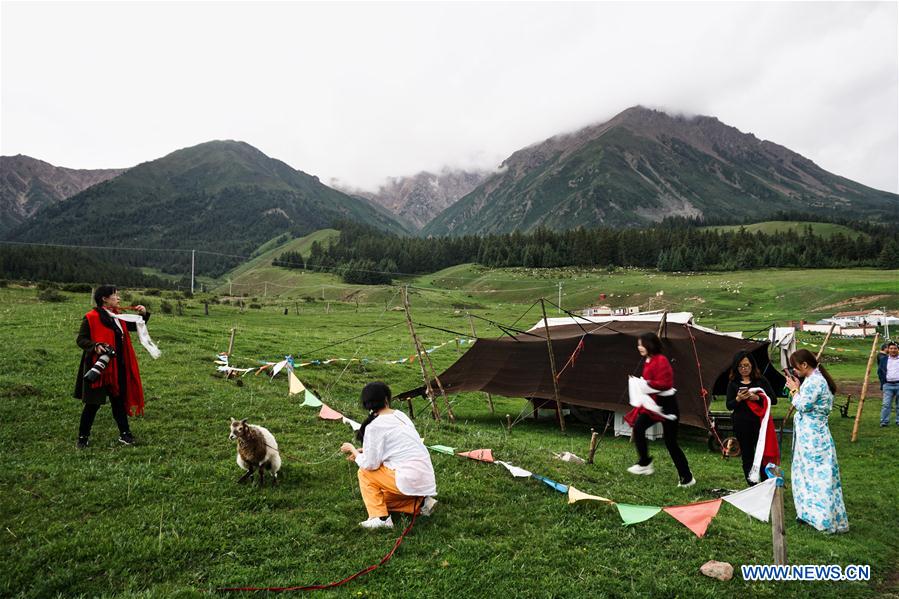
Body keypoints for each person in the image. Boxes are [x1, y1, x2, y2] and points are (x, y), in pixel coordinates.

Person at [340, 382, 438, 529]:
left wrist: (353, 450)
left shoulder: (374, 426)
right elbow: (396, 446)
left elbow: (370, 465)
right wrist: (365, 451)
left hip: (407, 477)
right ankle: (421, 503)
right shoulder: (400, 415)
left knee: (364, 473)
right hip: (425, 477)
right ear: (386, 399)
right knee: (381, 499)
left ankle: (380, 518)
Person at [74, 286, 149, 448]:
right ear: (104, 299)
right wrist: (95, 346)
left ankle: (125, 434)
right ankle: (82, 437)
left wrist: (143, 314)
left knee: (118, 401)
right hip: (100, 367)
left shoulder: (117, 316)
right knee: (93, 404)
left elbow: (134, 326)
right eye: (115, 295)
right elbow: (81, 339)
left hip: (118, 366)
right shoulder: (91, 317)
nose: (118, 298)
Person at [785, 349, 849, 533]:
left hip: (813, 438)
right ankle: (809, 513)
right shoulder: (814, 380)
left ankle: (823, 519)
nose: (794, 370)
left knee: (817, 476)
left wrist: (794, 390)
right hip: (811, 436)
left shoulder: (816, 381)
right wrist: (798, 388)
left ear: (804, 365)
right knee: (808, 474)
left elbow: (803, 405)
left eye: (795, 367)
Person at [624, 332, 695, 487]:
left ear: (650, 345)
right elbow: (650, 381)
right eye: (638, 345)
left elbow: (665, 383)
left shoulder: (661, 360)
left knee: (670, 442)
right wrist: (638, 383)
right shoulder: (647, 360)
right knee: (639, 427)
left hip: (668, 405)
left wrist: (645, 385)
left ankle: (687, 477)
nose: (639, 347)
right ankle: (645, 463)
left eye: (641, 344)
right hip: (653, 403)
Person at [725, 351, 778, 485]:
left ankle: (765, 482)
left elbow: (773, 399)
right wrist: (738, 399)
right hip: (741, 424)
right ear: (736, 367)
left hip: (759, 424)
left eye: (746, 365)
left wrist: (758, 397)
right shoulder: (733, 383)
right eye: (740, 366)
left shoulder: (760, 381)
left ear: (752, 365)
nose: (744, 369)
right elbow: (729, 405)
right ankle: (752, 484)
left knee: (762, 453)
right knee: (747, 455)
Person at [878, 341, 899, 427]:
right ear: (888, 349)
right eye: (891, 348)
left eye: (895, 348)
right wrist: (883, 383)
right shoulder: (883, 359)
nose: (893, 350)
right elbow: (880, 371)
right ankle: (884, 421)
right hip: (888, 385)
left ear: (898, 349)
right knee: (886, 404)